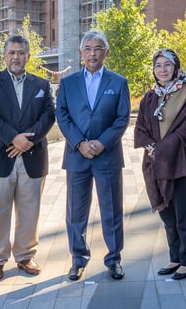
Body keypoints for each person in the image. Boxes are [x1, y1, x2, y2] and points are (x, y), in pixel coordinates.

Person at [0, 34, 55, 281]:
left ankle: (25, 256)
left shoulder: (42, 85)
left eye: (21, 52)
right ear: (4, 56)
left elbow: (48, 116)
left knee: (29, 210)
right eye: (11, 52)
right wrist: (14, 138)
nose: (16, 57)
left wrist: (27, 141)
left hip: (32, 157)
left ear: (28, 56)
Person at [56, 29, 130, 282]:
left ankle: (114, 259)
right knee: (76, 213)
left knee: (111, 211)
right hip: (77, 157)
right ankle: (78, 259)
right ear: (81, 53)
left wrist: (101, 143)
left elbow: (122, 119)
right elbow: (62, 116)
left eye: (98, 48)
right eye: (87, 48)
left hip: (106, 156)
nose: (92, 53)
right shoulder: (68, 83)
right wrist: (79, 143)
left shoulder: (119, 82)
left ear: (106, 53)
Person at [135, 49, 186, 280]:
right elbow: (141, 127)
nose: (162, 70)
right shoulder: (149, 98)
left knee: (184, 213)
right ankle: (175, 258)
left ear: (175, 67)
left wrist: (160, 148)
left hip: (182, 162)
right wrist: (150, 146)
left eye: (167, 65)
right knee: (167, 214)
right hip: (156, 164)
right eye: (158, 66)